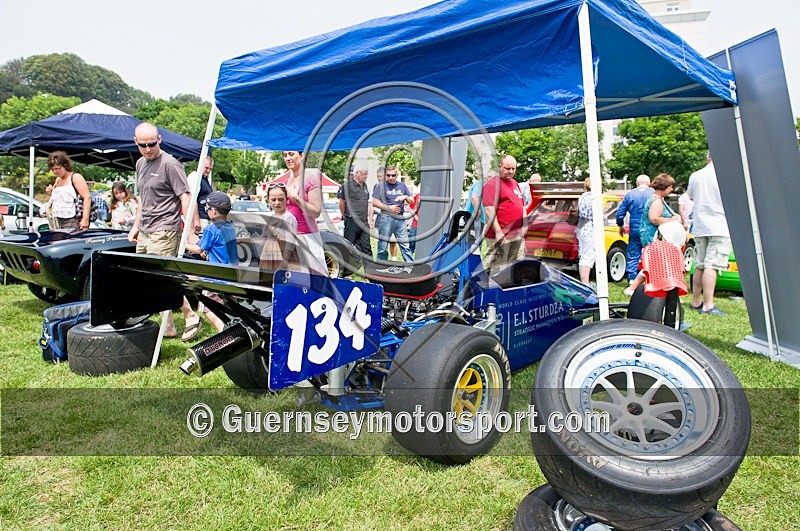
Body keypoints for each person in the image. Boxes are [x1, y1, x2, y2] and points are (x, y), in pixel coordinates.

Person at [129, 122, 203, 342]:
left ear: (159, 140)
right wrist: (135, 225)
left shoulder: (171, 164)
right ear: (136, 143)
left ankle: (190, 315)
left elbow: (185, 197)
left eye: (152, 143)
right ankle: (168, 325)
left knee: (164, 278)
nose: (148, 148)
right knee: (150, 279)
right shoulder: (140, 163)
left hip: (166, 229)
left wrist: (189, 232)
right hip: (146, 229)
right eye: (143, 145)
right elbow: (143, 199)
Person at [184, 191, 238, 332]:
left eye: (207, 208)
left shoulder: (211, 228)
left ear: (213, 211)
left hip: (215, 279)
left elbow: (197, 249)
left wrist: (184, 245)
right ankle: (234, 329)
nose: (206, 211)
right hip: (231, 277)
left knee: (207, 309)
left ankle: (224, 331)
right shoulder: (230, 227)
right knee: (231, 308)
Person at [687, 153, 731, 316]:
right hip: (719, 225)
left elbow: (690, 196)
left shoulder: (696, 175)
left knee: (700, 264)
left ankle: (696, 301)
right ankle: (708, 305)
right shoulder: (725, 176)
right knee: (711, 265)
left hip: (700, 225)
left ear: (707, 158)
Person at [624, 173, 680, 296]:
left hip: (650, 235)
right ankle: (634, 289)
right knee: (654, 264)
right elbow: (654, 218)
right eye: (670, 187)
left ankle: (639, 288)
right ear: (664, 186)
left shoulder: (656, 199)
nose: (671, 190)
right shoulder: (656, 201)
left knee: (653, 264)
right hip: (653, 236)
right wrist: (672, 220)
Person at [281, 150, 327, 274]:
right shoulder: (287, 181)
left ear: (302, 155)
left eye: (291, 154)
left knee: (315, 278)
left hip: (308, 237)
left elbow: (316, 211)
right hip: (290, 237)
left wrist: (295, 198)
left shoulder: (311, 179)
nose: (287, 158)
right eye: (285, 155)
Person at [482, 155, 526, 271]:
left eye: (513, 169)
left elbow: (521, 206)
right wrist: (498, 232)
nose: (510, 171)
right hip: (500, 237)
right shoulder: (492, 184)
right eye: (507, 168)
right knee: (497, 270)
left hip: (516, 235)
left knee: (516, 269)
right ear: (500, 166)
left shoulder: (515, 183)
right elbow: (489, 209)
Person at [616, 174, 654, 283]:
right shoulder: (653, 193)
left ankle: (631, 278)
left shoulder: (630, 194)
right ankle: (650, 276)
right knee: (650, 252)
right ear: (649, 183)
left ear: (637, 183)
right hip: (649, 227)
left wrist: (620, 225)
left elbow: (620, 213)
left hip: (635, 227)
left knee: (633, 253)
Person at [372, 165, 413, 262]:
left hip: (400, 218)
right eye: (388, 175)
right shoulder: (381, 186)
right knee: (383, 246)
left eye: (393, 175)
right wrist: (389, 208)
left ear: (397, 175)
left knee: (405, 245)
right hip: (386, 217)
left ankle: (411, 267)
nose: (391, 177)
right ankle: (381, 267)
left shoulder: (402, 186)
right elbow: (374, 202)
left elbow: (411, 200)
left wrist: (405, 197)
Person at [45, 151, 92, 230]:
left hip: (72, 219)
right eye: (53, 169)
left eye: (58, 168)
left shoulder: (75, 177)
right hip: (57, 218)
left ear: (65, 165)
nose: (55, 171)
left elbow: (87, 197)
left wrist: (85, 219)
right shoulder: (58, 180)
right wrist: (51, 192)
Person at [259, 183, 301, 270]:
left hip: (283, 258)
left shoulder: (288, 218)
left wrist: (285, 261)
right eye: (273, 200)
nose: (277, 203)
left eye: (281, 199)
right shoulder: (270, 218)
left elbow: (290, 242)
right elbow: (264, 238)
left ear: (287, 199)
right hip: (268, 257)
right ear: (268, 200)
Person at [338, 166, 372, 258]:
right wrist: (344, 215)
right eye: (364, 174)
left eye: (367, 174)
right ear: (357, 173)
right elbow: (342, 202)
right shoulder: (347, 185)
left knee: (366, 247)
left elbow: (367, 203)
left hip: (364, 221)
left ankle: (370, 270)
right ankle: (346, 269)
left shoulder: (365, 186)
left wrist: (370, 219)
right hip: (352, 221)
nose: (366, 176)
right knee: (349, 246)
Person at [576, 177, 597, 285]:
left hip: (582, 227)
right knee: (588, 256)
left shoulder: (582, 197)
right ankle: (585, 283)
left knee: (584, 255)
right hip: (591, 228)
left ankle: (585, 281)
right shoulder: (595, 198)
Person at [196, 156, 215, 231]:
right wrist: (196, 220)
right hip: (201, 219)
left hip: (207, 218)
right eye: (206, 168)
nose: (208, 171)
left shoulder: (205, 180)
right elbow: (192, 201)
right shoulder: (196, 178)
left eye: (210, 169)